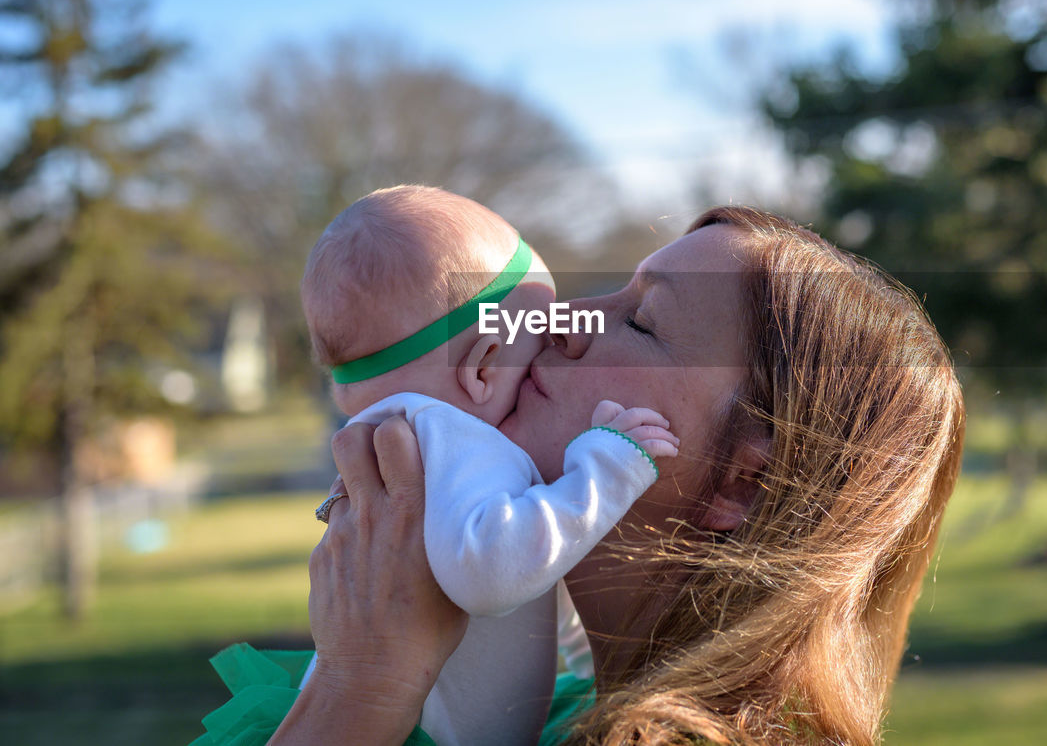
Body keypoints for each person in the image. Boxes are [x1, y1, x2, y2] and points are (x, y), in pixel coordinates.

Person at [196, 205, 965, 746]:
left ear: (741, 484)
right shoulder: (555, 715)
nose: (561, 319)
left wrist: (356, 697)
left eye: (640, 322)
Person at [288, 186, 678, 746]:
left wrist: (589, 665)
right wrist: (607, 468)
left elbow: (535, 583)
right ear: (484, 364)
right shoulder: (453, 436)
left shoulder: (414, 437)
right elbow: (491, 574)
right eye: (539, 336)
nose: (561, 339)